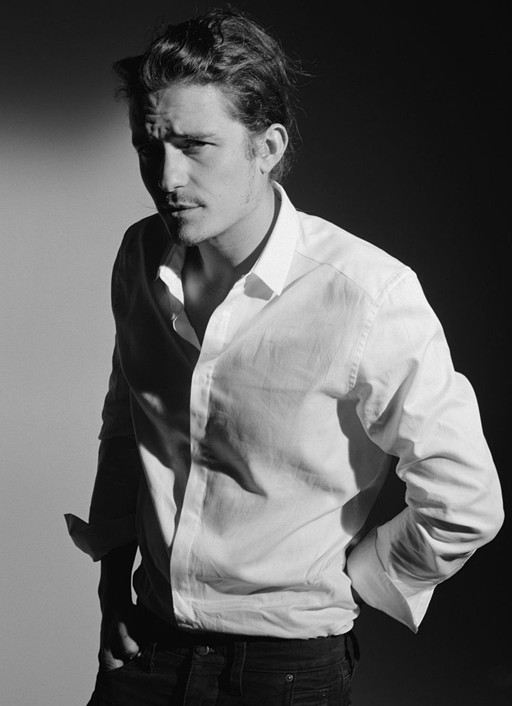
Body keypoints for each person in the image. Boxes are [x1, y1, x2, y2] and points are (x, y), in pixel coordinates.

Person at [65, 7, 504, 705]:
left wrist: (359, 580)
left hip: (284, 672)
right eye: (150, 146)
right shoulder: (140, 254)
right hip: (144, 647)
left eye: (196, 146)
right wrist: (111, 585)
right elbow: (128, 421)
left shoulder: (365, 294)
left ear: (266, 147)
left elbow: (465, 500)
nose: (166, 176)